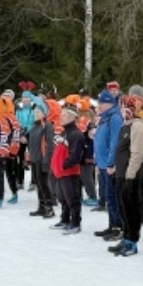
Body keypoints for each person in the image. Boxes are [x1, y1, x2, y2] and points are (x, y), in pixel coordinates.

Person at [111, 93, 143, 257]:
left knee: (131, 208)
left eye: (125, 107)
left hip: (131, 175)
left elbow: (137, 152)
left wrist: (130, 174)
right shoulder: (126, 124)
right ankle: (126, 237)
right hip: (121, 173)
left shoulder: (138, 126)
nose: (122, 111)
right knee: (123, 207)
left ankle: (132, 240)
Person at [94, 89, 124, 243]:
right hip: (103, 162)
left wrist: (111, 162)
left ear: (108, 103)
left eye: (101, 102)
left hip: (110, 164)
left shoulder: (114, 118)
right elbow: (98, 140)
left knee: (113, 197)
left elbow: (114, 142)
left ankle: (118, 226)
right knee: (108, 196)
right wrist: (97, 162)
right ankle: (112, 224)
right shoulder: (104, 118)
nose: (98, 105)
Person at [50, 100, 85, 233]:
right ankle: (65, 219)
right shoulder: (64, 132)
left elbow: (75, 155)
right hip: (60, 172)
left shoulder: (75, 134)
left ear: (71, 117)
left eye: (64, 115)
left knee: (72, 199)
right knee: (62, 198)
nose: (61, 117)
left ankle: (75, 223)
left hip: (69, 172)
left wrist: (64, 165)